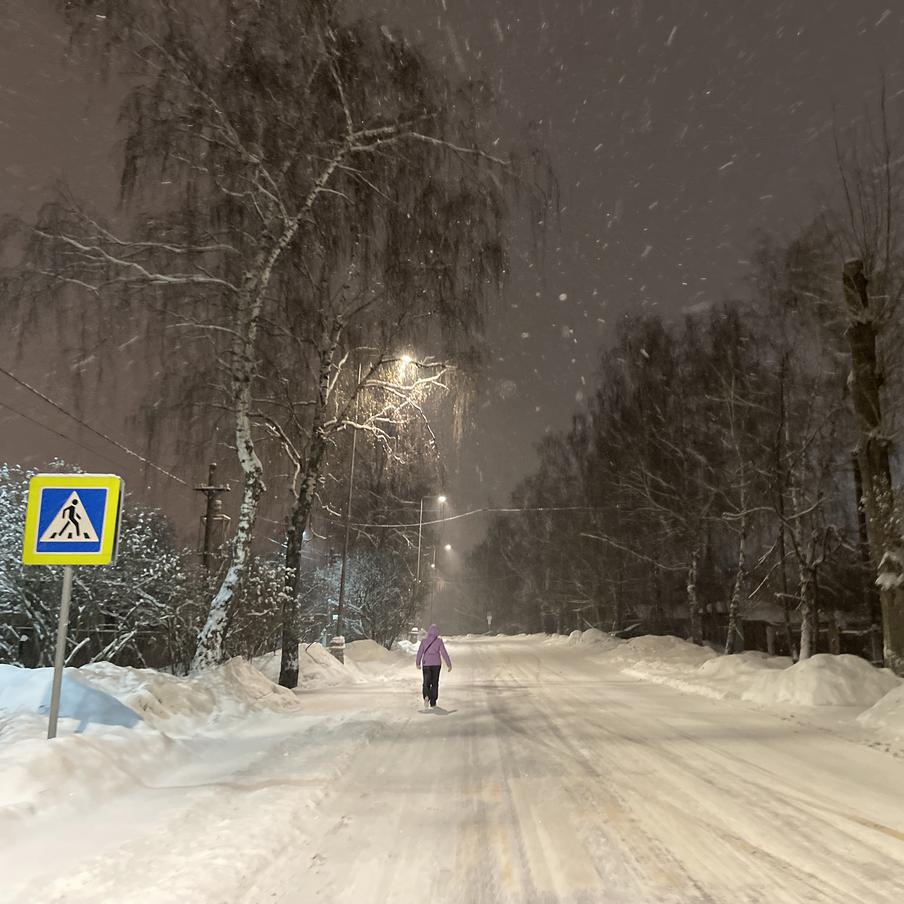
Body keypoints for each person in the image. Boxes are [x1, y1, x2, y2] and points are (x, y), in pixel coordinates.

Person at [416, 624, 452, 709]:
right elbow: (444, 653)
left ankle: (426, 696)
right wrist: (449, 664)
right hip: (436, 664)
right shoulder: (439, 641)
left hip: (426, 664)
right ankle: (433, 701)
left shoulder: (424, 641)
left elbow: (420, 652)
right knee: (435, 683)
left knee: (426, 682)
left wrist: (417, 663)